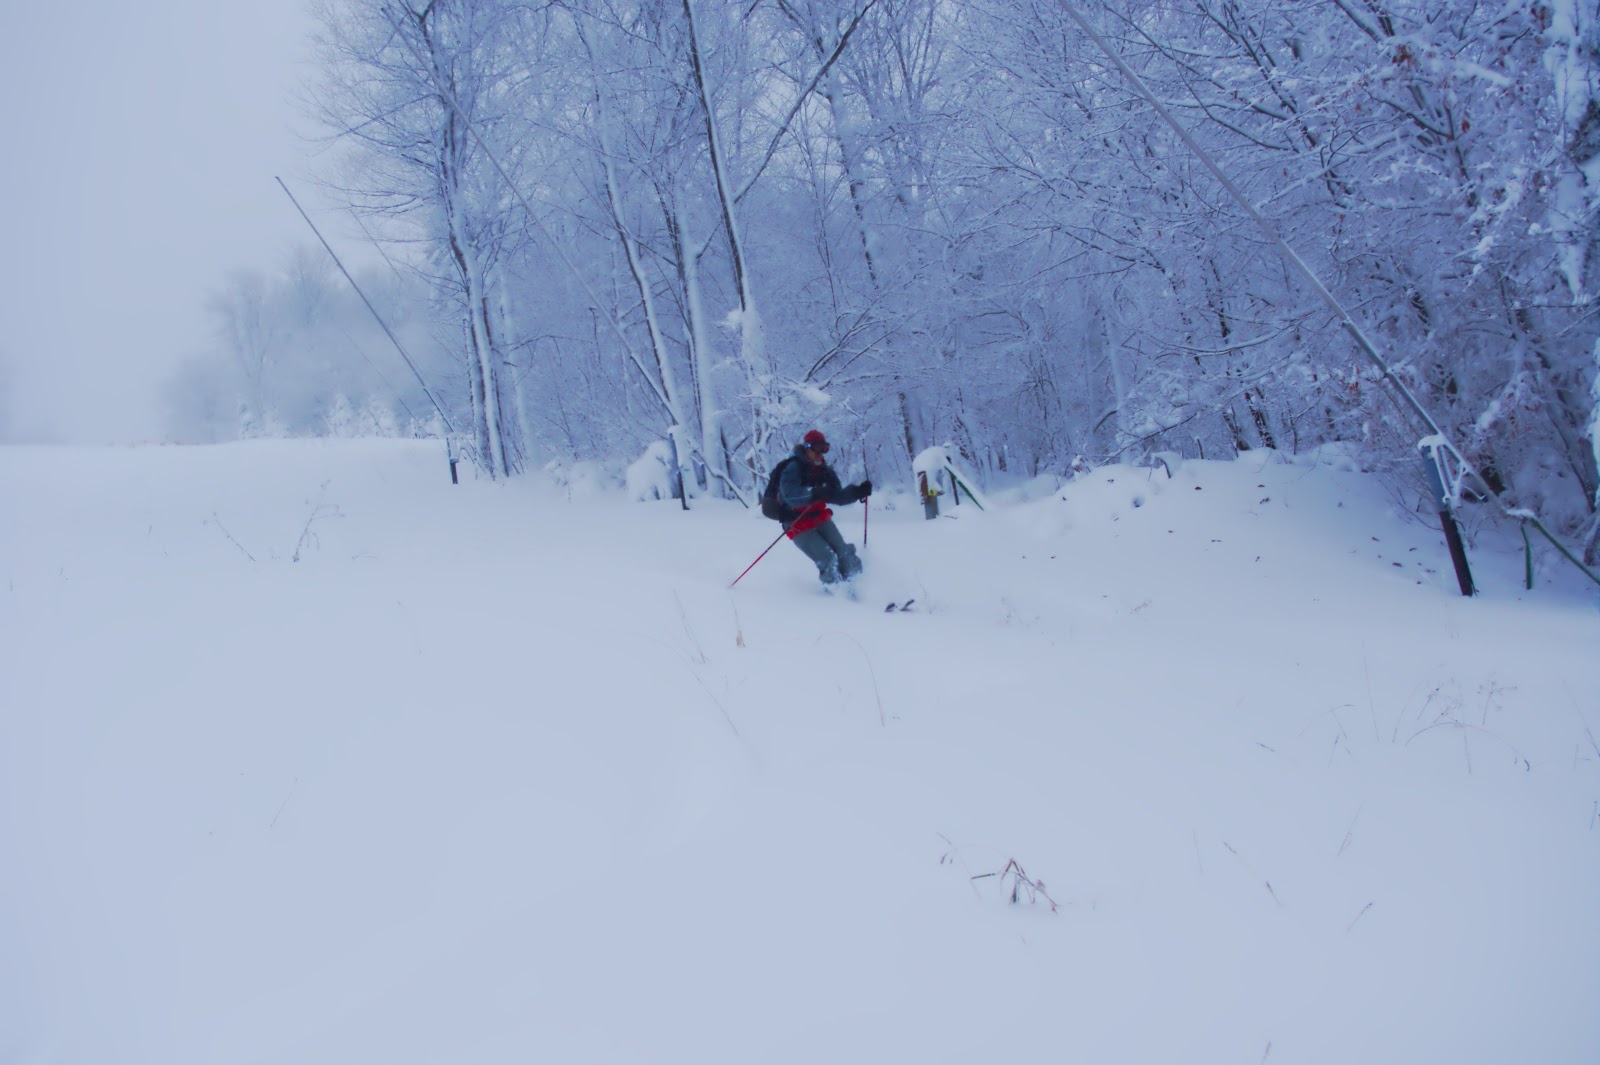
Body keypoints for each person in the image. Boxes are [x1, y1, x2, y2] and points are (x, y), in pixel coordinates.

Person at [777, 429, 872, 585]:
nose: (822, 454)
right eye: (818, 449)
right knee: (827, 557)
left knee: (844, 551)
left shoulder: (825, 471)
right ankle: (836, 593)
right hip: (796, 522)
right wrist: (813, 494)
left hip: (819, 517)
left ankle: (862, 586)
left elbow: (837, 496)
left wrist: (856, 492)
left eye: (825, 449)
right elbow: (790, 495)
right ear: (807, 448)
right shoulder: (793, 468)